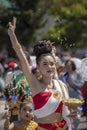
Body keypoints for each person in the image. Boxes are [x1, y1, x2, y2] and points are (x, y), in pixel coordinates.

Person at [7, 17, 75, 130]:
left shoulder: (62, 86)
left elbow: (67, 112)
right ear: (38, 66)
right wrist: (12, 35)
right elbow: (23, 59)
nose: (50, 67)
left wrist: (72, 113)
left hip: (64, 127)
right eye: (45, 64)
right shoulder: (35, 85)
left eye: (52, 64)